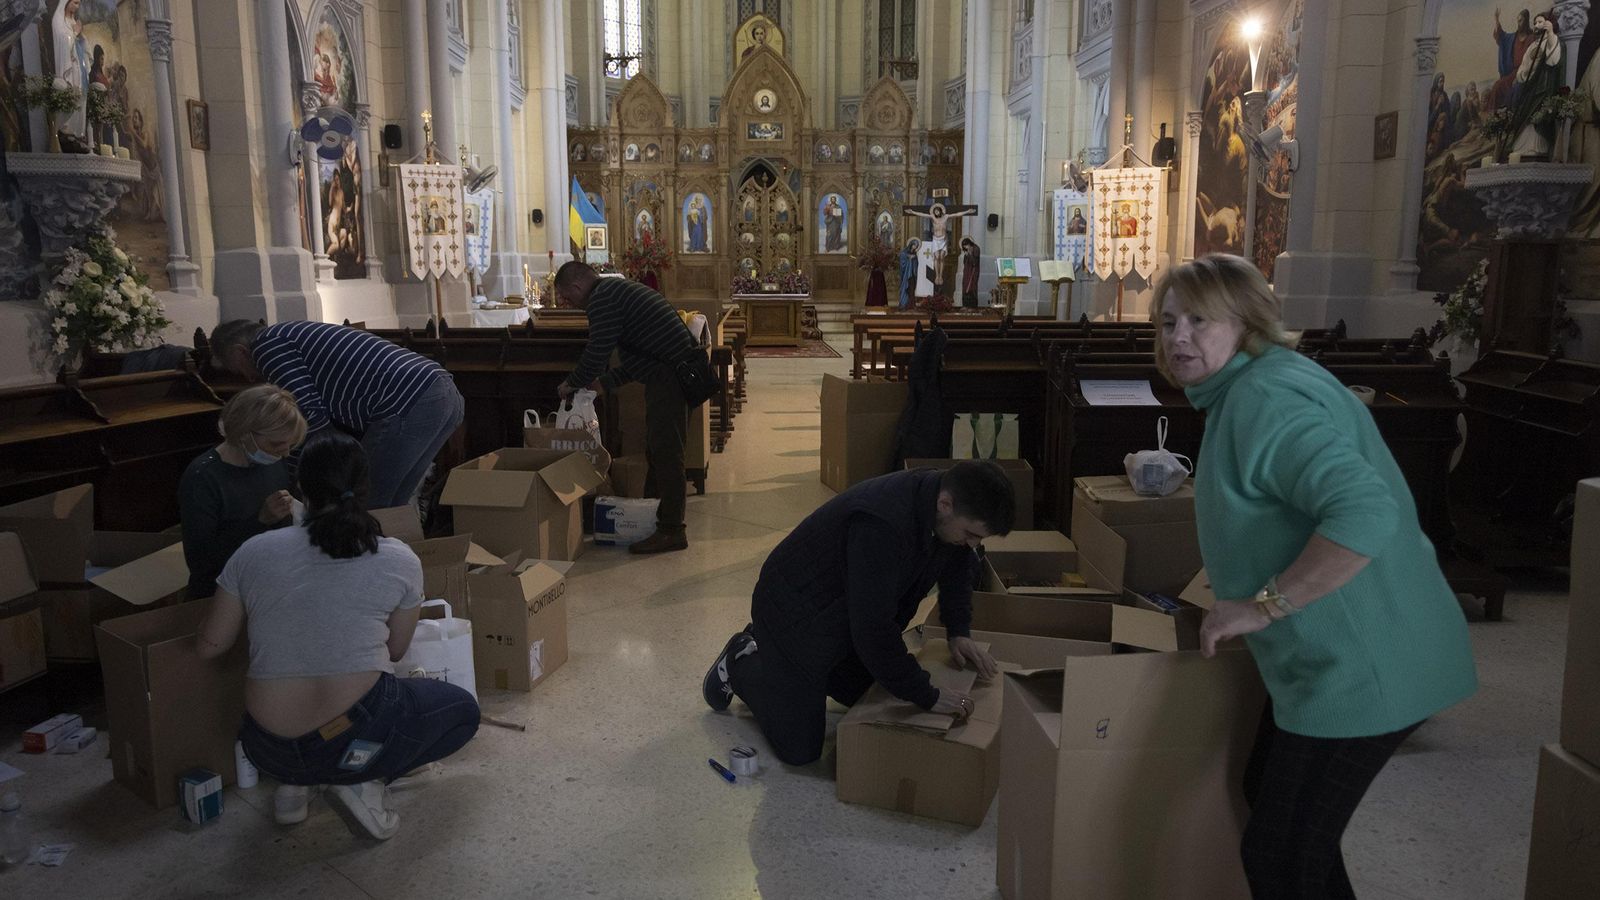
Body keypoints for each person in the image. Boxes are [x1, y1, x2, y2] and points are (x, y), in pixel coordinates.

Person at [1153, 255, 1477, 898]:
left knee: (1281, 853)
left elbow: (1364, 513)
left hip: (1362, 663)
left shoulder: (1262, 396)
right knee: (1274, 810)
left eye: (1199, 320)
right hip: (1338, 651)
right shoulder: (1254, 384)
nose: (1177, 337)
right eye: (1166, 322)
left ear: (1246, 325)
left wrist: (1260, 605)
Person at [198, 432, 479, 840]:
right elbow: (396, 649)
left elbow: (211, 646)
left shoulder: (253, 552)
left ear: (300, 489)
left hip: (269, 748)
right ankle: (358, 780)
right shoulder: (397, 557)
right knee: (461, 712)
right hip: (357, 730)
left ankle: (297, 786)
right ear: (364, 489)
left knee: (311, 735)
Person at [700, 461, 1015, 766]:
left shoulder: (940, 505)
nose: (971, 544)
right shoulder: (883, 523)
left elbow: (958, 565)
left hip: (841, 612)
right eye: (971, 534)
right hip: (792, 616)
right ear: (946, 504)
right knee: (801, 750)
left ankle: (807, 680)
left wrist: (958, 632)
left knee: (871, 698)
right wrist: (926, 694)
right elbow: (873, 628)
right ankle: (742, 661)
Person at [208, 319, 464, 511]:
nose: (249, 378)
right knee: (393, 503)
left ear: (241, 351)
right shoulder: (288, 334)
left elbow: (308, 417)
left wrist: (293, 480)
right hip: (442, 392)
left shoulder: (267, 345)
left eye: (238, 369)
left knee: (363, 503)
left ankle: (362, 575)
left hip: (408, 399)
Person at [554, 261, 699, 554]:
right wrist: (605, 382)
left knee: (667, 452)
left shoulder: (602, 299)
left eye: (566, 297)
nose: (566, 304)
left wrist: (572, 382)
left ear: (578, 286)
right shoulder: (613, 292)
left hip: (672, 376)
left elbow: (597, 351)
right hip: (670, 372)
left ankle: (672, 530)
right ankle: (651, 518)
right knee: (657, 449)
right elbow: (641, 356)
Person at [180, 386, 307, 600]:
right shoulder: (203, 477)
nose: (285, 453)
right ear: (244, 433)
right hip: (222, 590)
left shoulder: (272, 461)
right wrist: (259, 521)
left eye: (290, 446)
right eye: (277, 444)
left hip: (270, 579)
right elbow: (201, 561)